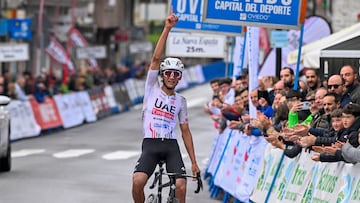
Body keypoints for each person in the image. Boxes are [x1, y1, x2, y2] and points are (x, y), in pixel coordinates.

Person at [132, 12, 200, 203]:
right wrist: (167, 28)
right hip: (151, 143)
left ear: (179, 77)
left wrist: (194, 162)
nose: (172, 76)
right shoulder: (151, 88)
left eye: (176, 74)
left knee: (181, 185)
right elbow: (155, 58)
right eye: (168, 73)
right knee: (138, 181)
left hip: (170, 146)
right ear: (162, 74)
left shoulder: (181, 101)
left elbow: (185, 131)